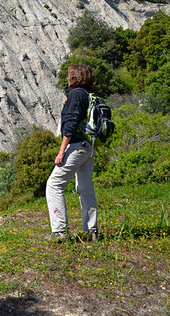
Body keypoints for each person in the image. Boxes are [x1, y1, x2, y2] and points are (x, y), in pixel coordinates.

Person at [46, 63, 98, 242]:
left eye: (69, 75)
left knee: (54, 184)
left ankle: (59, 231)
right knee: (85, 188)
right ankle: (91, 231)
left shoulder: (75, 94)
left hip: (76, 145)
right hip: (89, 147)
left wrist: (62, 150)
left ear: (75, 77)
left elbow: (71, 122)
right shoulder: (89, 95)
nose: (67, 78)